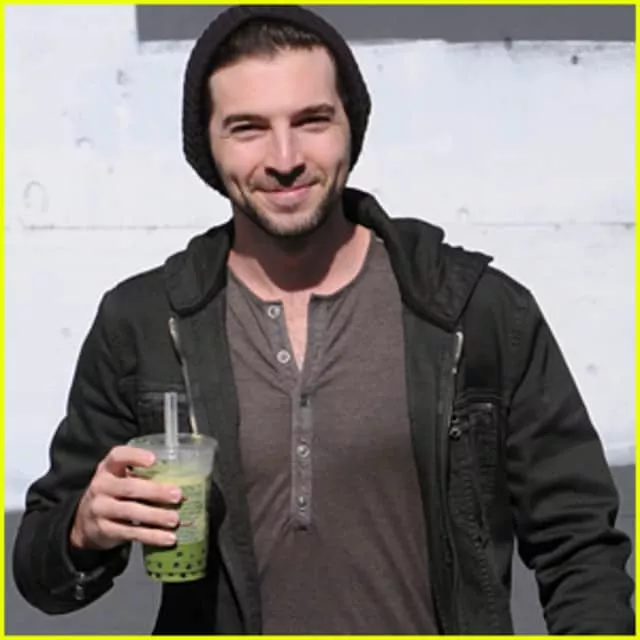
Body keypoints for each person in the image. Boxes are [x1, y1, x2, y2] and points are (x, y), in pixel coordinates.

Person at [12, 5, 634, 635]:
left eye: (311, 121)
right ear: (207, 146)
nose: (285, 157)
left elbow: (581, 546)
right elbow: (40, 574)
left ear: (351, 127)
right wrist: (82, 531)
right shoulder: (143, 323)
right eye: (248, 128)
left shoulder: (474, 310)